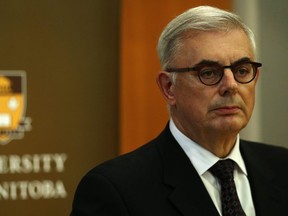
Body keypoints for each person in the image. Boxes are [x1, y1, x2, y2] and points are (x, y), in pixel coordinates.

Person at [71, 6, 288, 216]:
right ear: (169, 87)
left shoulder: (282, 167)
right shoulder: (115, 190)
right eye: (209, 73)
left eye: (241, 70)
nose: (231, 85)